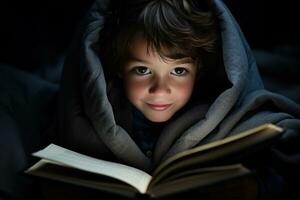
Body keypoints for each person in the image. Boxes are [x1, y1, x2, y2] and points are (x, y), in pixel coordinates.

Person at [0, 0, 300, 199]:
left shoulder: (223, 108)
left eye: (179, 70)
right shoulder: (92, 111)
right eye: (142, 70)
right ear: (118, 69)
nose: (160, 89)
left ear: (201, 70)